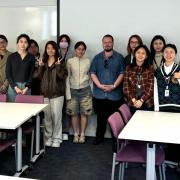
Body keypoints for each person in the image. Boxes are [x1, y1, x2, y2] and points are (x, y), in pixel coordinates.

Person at [90, 34, 125, 145]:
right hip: (99, 94)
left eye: (109, 42)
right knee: (100, 118)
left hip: (115, 95)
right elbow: (92, 73)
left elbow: (122, 73)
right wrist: (99, 85)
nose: (107, 44)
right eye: (105, 42)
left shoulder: (119, 57)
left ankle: (116, 140)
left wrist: (114, 86)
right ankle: (99, 137)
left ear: (113, 43)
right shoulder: (97, 58)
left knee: (115, 119)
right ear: (102, 43)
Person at [33, 41, 67, 148]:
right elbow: (36, 77)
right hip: (44, 94)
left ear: (56, 49)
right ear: (46, 49)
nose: (50, 50)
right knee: (47, 117)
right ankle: (48, 138)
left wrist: (57, 66)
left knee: (56, 117)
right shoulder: (42, 61)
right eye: (48, 48)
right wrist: (40, 67)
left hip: (57, 94)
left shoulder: (61, 61)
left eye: (52, 48)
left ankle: (57, 138)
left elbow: (62, 77)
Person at [154, 44, 180, 165]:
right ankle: (163, 158)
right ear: (163, 54)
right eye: (166, 52)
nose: (168, 55)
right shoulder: (158, 71)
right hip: (162, 107)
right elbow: (155, 89)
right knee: (163, 133)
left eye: (171, 52)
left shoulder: (179, 69)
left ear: (175, 54)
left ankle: (175, 159)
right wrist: (156, 107)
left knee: (175, 134)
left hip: (177, 107)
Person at [66, 41, 92, 143]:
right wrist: (67, 92)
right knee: (74, 114)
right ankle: (75, 135)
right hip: (72, 90)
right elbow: (68, 77)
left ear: (84, 50)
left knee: (84, 114)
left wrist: (89, 87)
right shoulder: (70, 61)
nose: (80, 51)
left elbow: (90, 76)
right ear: (75, 50)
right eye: (78, 49)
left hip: (85, 90)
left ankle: (82, 135)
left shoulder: (88, 61)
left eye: (82, 49)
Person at [123, 45, 154, 114]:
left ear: (146, 56)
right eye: (138, 52)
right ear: (134, 54)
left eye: (143, 53)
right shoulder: (128, 68)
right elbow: (126, 87)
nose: (140, 55)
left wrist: (141, 100)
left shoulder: (150, 68)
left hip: (147, 103)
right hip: (133, 102)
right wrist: (134, 100)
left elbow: (150, 88)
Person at [6, 34, 35, 102]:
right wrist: (15, 87)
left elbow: (31, 74)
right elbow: (8, 74)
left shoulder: (31, 57)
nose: (23, 44)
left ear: (28, 44)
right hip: (13, 86)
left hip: (26, 87)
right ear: (17, 43)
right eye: (21, 41)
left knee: (26, 110)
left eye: (25, 42)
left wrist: (27, 88)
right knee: (13, 109)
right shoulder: (11, 57)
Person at [57, 34, 73, 141]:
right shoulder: (55, 54)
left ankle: (65, 130)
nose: (63, 42)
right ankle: (57, 130)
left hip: (70, 85)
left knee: (67, 109)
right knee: (58, 110)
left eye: (65, 41)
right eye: (61, 40)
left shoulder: (71, 55)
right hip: (58, 85)